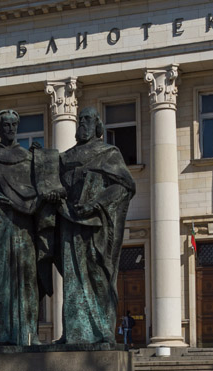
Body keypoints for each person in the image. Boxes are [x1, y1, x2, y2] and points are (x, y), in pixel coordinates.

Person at [0, 109, 63, 346]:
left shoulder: (30, 160)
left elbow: (46, 188)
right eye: (5, 125)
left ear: (17, 127)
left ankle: (29, 336)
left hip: (25, 232)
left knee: (27, 282)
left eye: (13, 124)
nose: (10, 129)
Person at [56, 107, 136, 345]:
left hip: (97, 225)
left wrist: (95, 203)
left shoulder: (109, 153)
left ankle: (103, 333)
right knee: (72, 278)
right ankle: (73, 334)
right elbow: (54, 184)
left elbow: (124, 186)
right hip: (70, 221)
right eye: (80, 119)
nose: (82, 123)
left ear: (98, 126)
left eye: (87, 119)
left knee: (98, 274)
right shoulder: (65, 157)